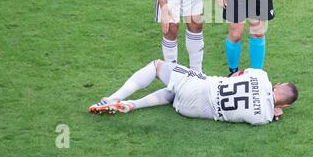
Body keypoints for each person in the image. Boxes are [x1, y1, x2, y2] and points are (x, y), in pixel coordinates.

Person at [88, 60, 298, 126]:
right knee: (173, 94)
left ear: (277, 84)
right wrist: (275, 111)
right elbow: (271, 112)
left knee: (157, 66)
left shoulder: (261, 76)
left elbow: (236, 76)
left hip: (201, 88)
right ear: (285, 105)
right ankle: (134, 105)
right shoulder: (263, 118)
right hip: (193, 111)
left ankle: (113, 98)